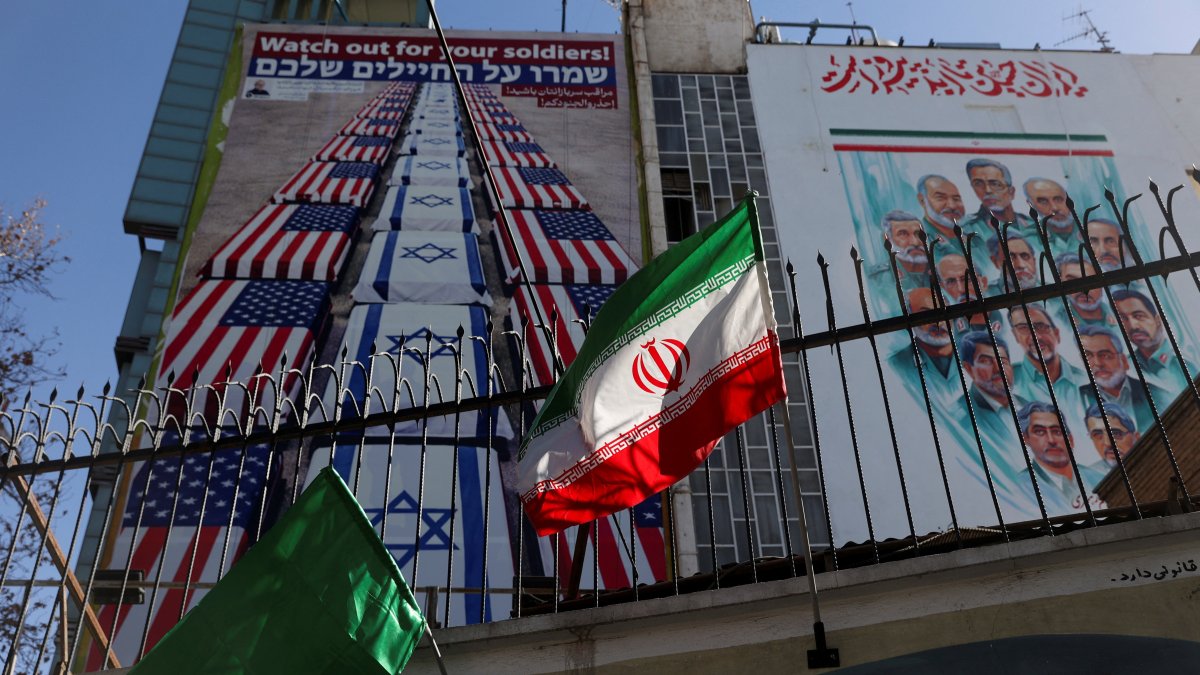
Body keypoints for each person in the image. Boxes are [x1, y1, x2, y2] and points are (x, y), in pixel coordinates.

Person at [1014, 401, 1106, 516]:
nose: (1051, 440)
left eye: (1057, 431)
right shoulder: (1019, 487)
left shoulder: (1099, 479)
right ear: (1026, 439)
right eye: (1040, 432)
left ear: (1070, 439)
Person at [1077, 324, 1167, 431]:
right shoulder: (1078, 399)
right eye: (1088, 356)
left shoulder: (1157, 396)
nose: (1097, 363)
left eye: (1105, 355)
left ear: (1124, 361)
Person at [1112, 287, 1198, 396]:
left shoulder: (1187, 364)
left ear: (1157, 320)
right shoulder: (1125, 370)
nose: (1132, 325)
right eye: (1123, 319)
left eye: (1138, 316)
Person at [887, 288, 961, 411]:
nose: (938, 322)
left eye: (942, 311)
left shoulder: (975, 352)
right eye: (926, 315)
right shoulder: (898, 365)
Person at [1007, 303, 1086, 417]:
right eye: (1024, 328)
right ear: (1015, 336)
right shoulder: (1009, 384)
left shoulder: (1084, 380)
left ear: (1057, 334)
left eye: (1041, 326)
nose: (1036, 336)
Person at [867, 210, 930, 315]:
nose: (914, 242)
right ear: (887, 239)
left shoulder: (941, 270)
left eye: (918, 234)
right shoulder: (879, 277)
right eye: (903, 234)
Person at [963, 158, 1035, 237]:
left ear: (1011, 192)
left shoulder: (1033, 225)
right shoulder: (968, 229)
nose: (987, 190)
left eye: (995, 184)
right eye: (978, 184)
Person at [1051, 253, 1117, 329]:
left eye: (1091, 281)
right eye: (1072, 282)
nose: (1084, 290)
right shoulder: (1057, 322)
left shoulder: (1120, 314)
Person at [1024, 177, 1080, 256]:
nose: (1055, 208)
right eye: (1043, 201)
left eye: (1058, 199)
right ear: (1031, 205)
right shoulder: (1029, 239)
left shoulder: (1090, 227)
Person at [1084, 402, 1140, 470]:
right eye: (1098, 435)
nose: (1108, 444)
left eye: (1116, 433)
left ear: (1136, 437)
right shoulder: (1090, 474)